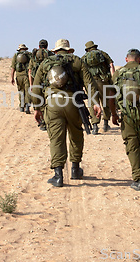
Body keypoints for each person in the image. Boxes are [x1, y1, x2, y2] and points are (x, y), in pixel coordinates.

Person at [31, 39, 102, 187]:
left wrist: (37, 108)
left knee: (56, 138)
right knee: (76, 134)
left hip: (52, 103)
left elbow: (36, 87)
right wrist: (95, 103)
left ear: (55, 51)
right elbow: (89, 83)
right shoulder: (76, 61)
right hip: (73, 102)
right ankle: (75, 169)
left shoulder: (46, 63)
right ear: (69, 50)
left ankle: (58, 176)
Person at [109, 49, 140, 191]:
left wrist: (113, 114)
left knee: (132, 143)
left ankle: (139, 178)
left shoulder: (119, 73)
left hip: (127, 113)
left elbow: (111, 96)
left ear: (126, 59)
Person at [81, 40, 115, 134]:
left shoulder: (84, 57)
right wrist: (113, 79)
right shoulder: (103, 54)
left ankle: (95, 126)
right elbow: (111, 65)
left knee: (93, 103)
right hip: (103, 82)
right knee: (106, 102)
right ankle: (105, 124)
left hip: (91, 83)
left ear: (87, 49)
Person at [28, 39, 53, 131]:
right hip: (48, 82)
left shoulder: (34, 57)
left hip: (36, 82)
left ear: (39, 46)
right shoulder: (50, 55)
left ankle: (42, 123)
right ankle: (49, 121)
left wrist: (31, 84)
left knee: (40, 102)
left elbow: (30, 71)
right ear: (47, 46)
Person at [10, 44, 32, 114]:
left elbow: (13, 67)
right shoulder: (28, 55)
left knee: (21, 91)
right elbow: (31, 67)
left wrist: (12, 78)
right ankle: (28, 106)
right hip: (26, 76)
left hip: (19, 76)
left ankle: (22, 107)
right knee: (28, 91)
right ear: (25, 49)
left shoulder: (16, 56)